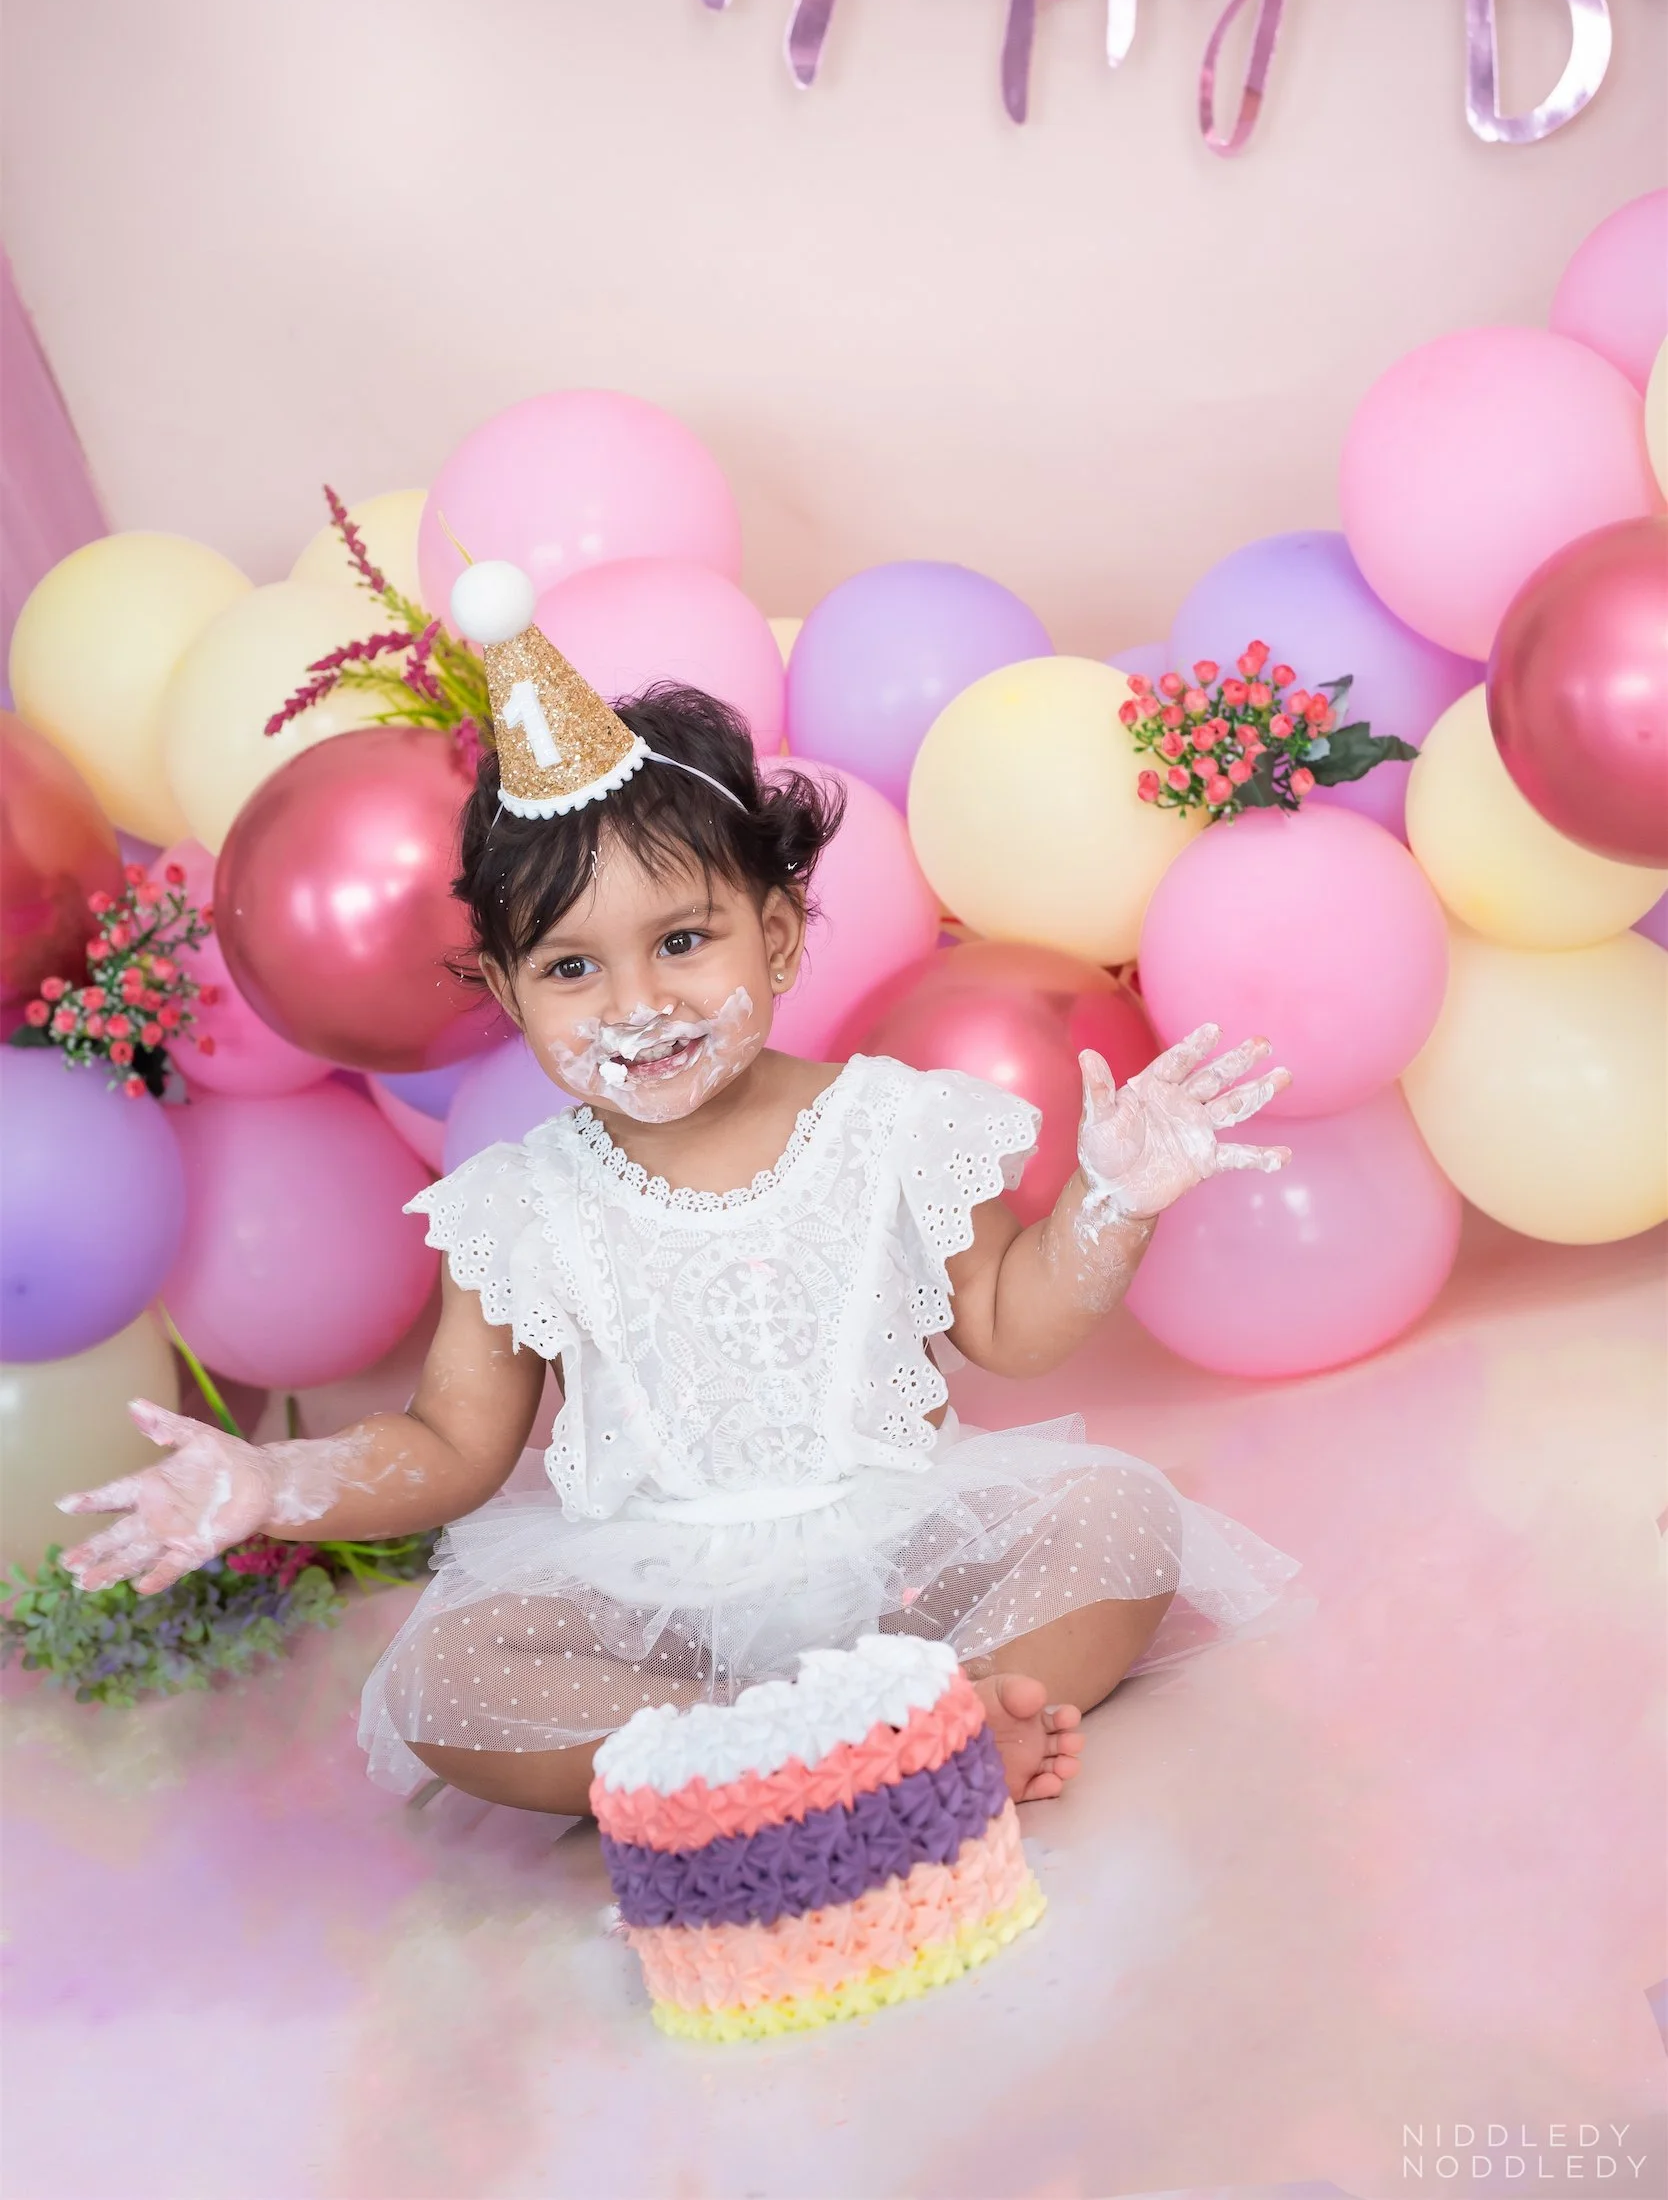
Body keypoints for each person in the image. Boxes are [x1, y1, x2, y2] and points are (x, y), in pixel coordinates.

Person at [57, 561, 1302, 1814]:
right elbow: (450, 1444)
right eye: (571, 968)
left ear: (778, 934)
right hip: (660, 1606)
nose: (637, 1003)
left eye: (682, 941)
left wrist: (1109, 1200)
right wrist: (276, 1484)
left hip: (902, 1554)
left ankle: (924, 1715)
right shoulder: (522, 1206)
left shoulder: (890, 1123)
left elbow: (1010, 1323)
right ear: (507, 996)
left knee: (1116, 1517)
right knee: (445, 1681)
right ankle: (782, 1748)